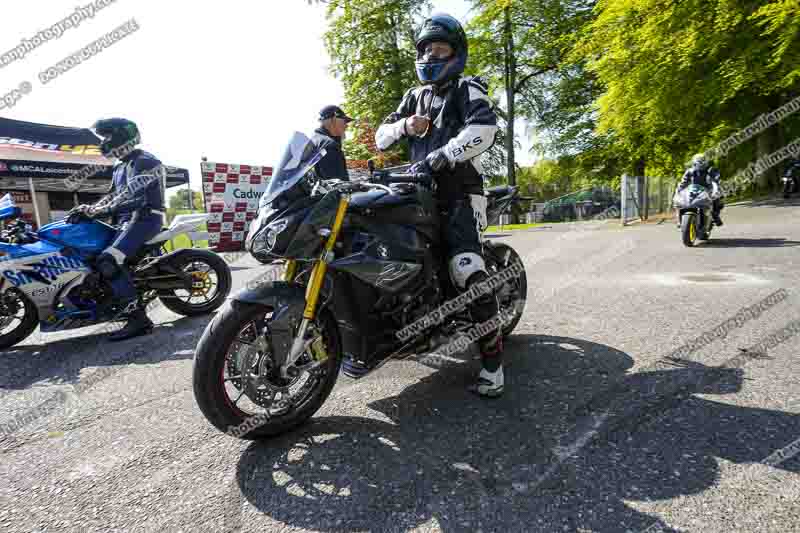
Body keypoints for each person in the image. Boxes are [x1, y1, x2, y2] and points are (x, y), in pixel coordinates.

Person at [374, 13, 504, 397]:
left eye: (440, 47)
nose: (431, 54)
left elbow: (484, 129)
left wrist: (446, 154)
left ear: (457, 52)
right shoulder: (413, 97)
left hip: (460, 192)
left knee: (467, 269)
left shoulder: (468, 89)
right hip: (417, 191)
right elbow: (381, 138)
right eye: (426, 48)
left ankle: (494, 364)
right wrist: (404, 128)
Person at [72, 118, 166, 341]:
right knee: (91, 257)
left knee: (109, 261)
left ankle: (138, 320)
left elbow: (136, 199)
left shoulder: (145, 161)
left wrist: (97, 212)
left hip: (145, 218)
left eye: (107, 137)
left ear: (121, 136)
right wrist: (89, 208)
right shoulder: (121, 166)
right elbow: (112, 196)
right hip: (125, 221)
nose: (104, 142)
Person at [678, 154, 724, 226]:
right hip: (694, 190)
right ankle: (680, 220)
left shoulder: (711, 170)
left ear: (706, 162)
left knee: (717, 199)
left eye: (702, 163)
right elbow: (684, 181)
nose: (700, 165)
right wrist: (680, 190)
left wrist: (717, 184)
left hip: (707, 190)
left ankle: (715, 217)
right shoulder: (690, 171)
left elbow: (716, 178)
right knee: (681, 202)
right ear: (694, 163)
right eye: (698, 163)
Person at [311, 105, 353, 181]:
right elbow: (338, 185)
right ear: (334, 119)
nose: (347, 126)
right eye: (344, 121)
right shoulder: (329, 145)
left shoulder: (317, 140)